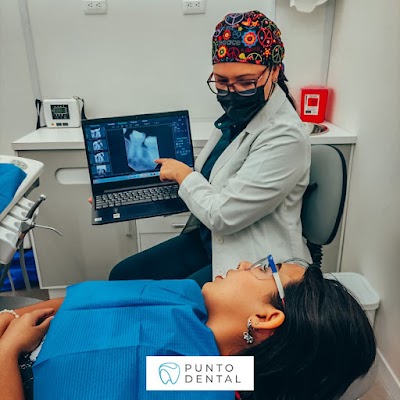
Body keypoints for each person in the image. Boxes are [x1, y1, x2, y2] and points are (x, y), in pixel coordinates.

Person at [109, 10, 311, 286]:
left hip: (254, 260)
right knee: (123, 276)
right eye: (222, 82)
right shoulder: (236, 118)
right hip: (211, 242)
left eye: (246, 82)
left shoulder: (285, 135)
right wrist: (126, 195)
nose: (232, 93)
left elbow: (223, 215)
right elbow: (208, 185)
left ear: (274, 71)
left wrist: (183, 174)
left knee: (174, 301)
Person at [0, 259, 376, 400]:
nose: (244, 263)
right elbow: (85, 301)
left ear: (265, 317)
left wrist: (8, 353)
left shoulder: (202, 380)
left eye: (265, 269)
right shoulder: (187, 300)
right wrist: (13, 317)